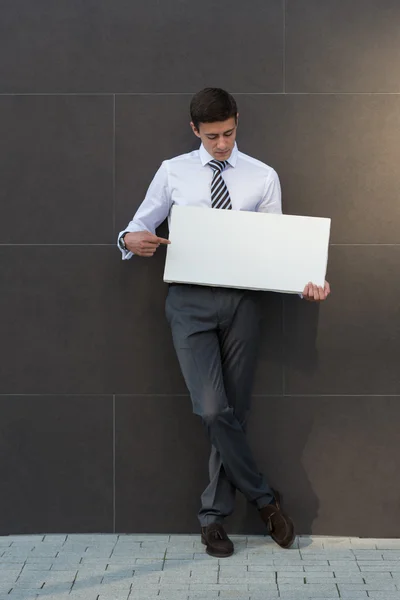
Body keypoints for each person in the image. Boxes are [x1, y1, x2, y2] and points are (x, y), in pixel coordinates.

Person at [117, 88, 330, 558]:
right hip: (188, 303)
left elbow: (277, 249)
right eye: (212, 136)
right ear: (195, 130)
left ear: (238, 121)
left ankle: (213, 519)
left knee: (233, 411)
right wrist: (131, 239)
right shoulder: (173, 171)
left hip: (242, 305)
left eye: (229, 133)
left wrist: (306, 283)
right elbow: (137, 227)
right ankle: (264, 498)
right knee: (213, 410)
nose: (221, 144)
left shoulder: (262, 177)